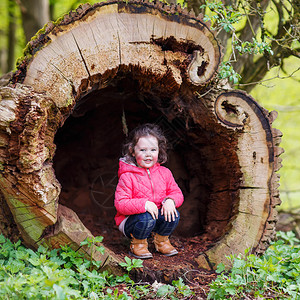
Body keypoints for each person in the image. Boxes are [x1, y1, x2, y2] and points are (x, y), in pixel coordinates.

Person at [114, 123, 184, 259]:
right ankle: (138, 244)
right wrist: (144, 204)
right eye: (143, 150)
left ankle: (161, 241)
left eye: (153, 150)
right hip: (132, 222)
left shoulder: (165, 173)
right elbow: (120, 204)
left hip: (155, 219)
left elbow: (177, 193)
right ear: (132, 151)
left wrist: (170, 200)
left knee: (173, 214)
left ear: (159, 151)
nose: (148, 155)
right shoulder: (127, 176)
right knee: (146, 216)